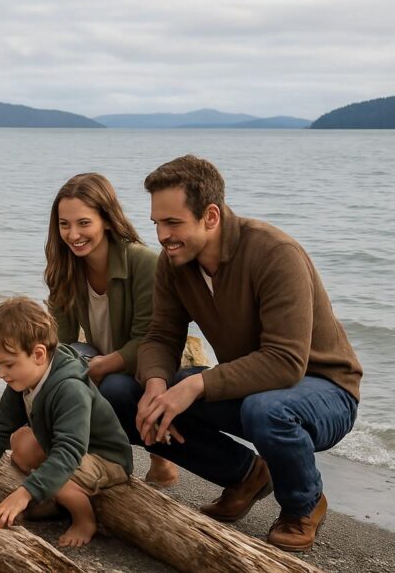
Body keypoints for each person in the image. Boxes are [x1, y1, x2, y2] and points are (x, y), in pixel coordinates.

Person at [101, 155, 362, 552]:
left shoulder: (275, 253)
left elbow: (286, 361)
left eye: (173, 223)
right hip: (252, 386)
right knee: (123, 394)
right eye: (157, 223)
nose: (162, 235)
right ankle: (245, 476)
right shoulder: (175, 262)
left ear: (210, 215)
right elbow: (161, 335)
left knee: (264, 409)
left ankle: (303, 504)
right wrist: (155, 384)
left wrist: (195, 386)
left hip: (325, 390)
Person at [0, 297, 132, 547]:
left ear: (38, 354)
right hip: (65, 446)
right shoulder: (23, 378)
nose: (1, 374)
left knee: (59, 479)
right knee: (20, 442)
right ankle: (54, 499)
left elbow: (69, 453)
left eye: (8, 364)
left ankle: (84, 520)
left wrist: (22, 495)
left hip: (105, 457)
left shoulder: (70, 388)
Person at [44, 172, 178, 486]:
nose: (73, 234)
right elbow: (61, 340)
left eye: (83, 223)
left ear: (106, 218)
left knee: (114, 386)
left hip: (149, 363)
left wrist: (105, 364)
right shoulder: (62, 267)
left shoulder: (143, 262)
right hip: (99, 356)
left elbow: (150, 338)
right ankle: (73, 449)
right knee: (57, 363)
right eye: (65, 224)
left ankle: (161, 458)